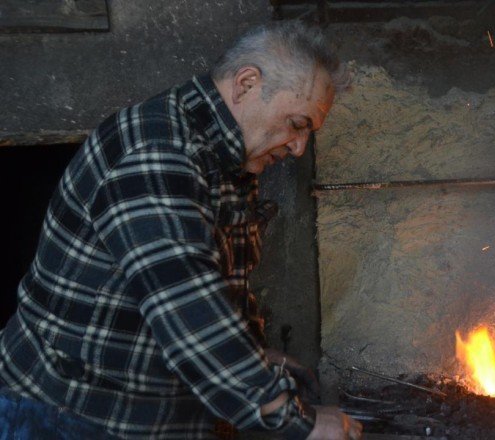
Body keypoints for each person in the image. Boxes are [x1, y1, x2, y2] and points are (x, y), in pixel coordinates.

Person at [0, 21, 361, 440]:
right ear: (246, 84)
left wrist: (257, 356)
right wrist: (301, 420)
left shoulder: (221, 155)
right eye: (297, 123)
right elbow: (189, 309)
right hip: (67, 415)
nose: (299, 147)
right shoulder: (157, 152)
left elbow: (205, 288)